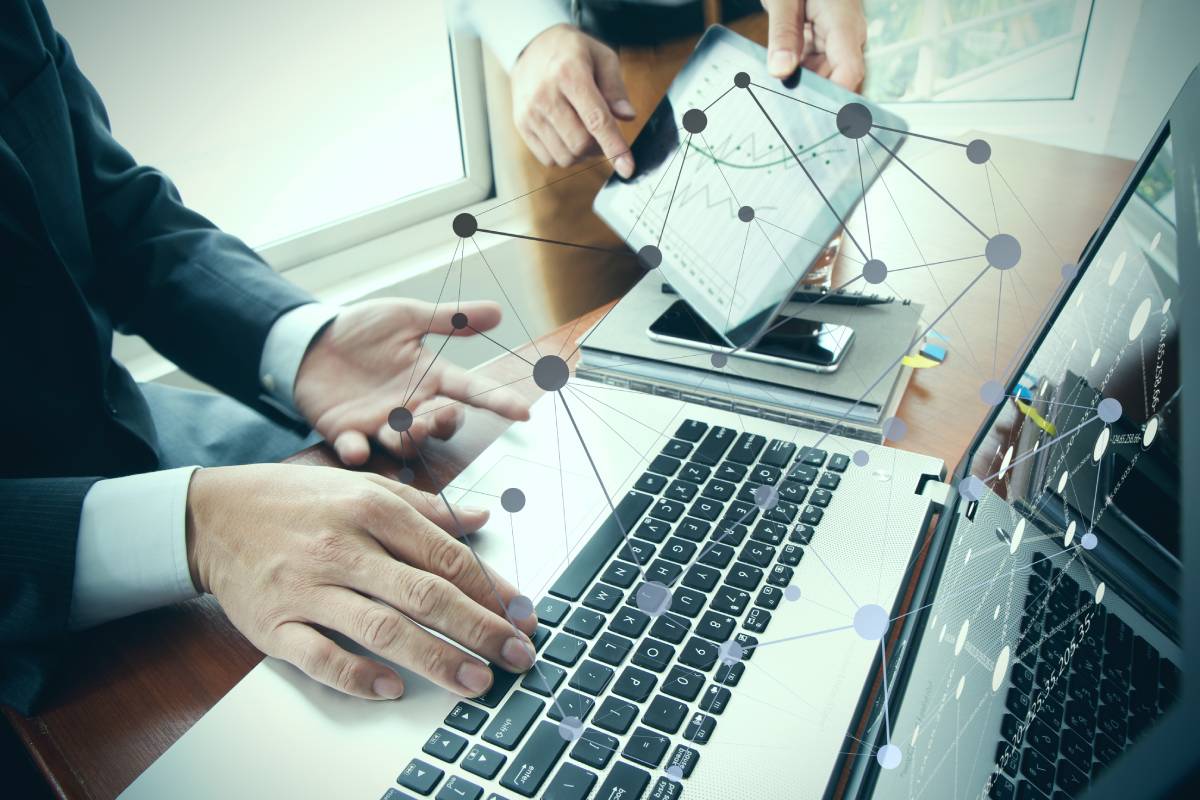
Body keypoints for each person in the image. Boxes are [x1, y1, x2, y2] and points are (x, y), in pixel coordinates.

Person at [0, 0, 537, 715]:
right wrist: (192, 526)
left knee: (442, 504)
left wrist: (305, 347)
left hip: (136, 430)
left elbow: (115, 210)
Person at [459, 0, 867, 321]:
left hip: (758, 47)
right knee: (595, 374)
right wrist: (526, 32)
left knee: (785, 355)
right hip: (562, 78)